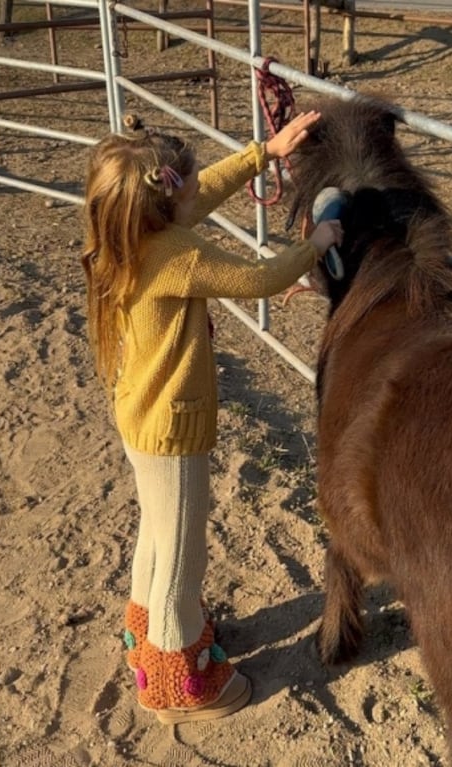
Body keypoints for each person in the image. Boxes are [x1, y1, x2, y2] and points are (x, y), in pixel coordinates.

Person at [81, 111, 342, 724]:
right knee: (182, 555)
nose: (199, 190)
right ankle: (176, 685)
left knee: (157, 531)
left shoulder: (132, 234)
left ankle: (145, 632)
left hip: (140, 417)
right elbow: (257, 279)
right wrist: (315, 245)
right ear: (168, 199)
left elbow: (205, 188)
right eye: (191, 187)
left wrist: (263, 153)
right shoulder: (176, 253)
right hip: (173, 427)